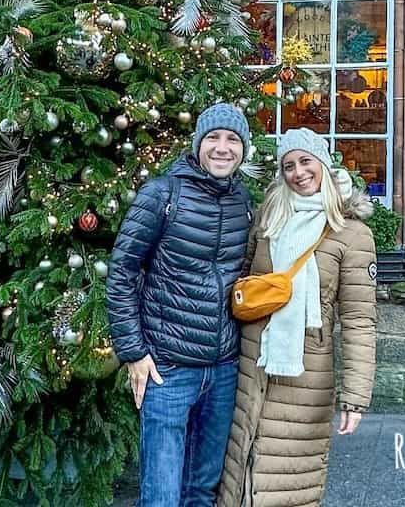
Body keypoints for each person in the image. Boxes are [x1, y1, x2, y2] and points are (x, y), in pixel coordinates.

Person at [217, 127, 377, 507]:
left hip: (306, 373)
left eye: (306, 161)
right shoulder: (269, 220)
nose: (298, 172)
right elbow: (242, 280)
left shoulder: (351, 234)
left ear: (322, 164)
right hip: (253, 363)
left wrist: (356, 397)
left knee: (290, 478)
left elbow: (358, 320)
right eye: (288, 165)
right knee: (240, 463)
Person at [106, 102, 254, 507]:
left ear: (243, 149)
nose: (222, 148)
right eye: (213, 138)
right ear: (198, 145)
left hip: (223, 367)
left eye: (232, 140)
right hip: (168, 368)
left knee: (202, 491)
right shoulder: (161, 194)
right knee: (162, 495)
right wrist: (134, 353)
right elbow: (121, 273)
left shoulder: (243, 200)